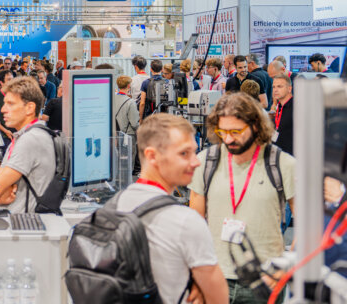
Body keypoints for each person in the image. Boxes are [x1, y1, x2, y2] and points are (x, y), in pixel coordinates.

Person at [189, 93, 296, 304]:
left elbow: (311, 226)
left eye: (236, 132)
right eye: (222, 132)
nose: (228, 139)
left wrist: (285, 268)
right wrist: (196, 277)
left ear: (256, 126)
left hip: (264, 280)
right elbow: (194, 226)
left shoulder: (283, 164)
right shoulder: (206, 162)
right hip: (215, 277)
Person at [114, 114, 229, 304]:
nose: (196, 162)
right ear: (152, 156)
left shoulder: (115, 205)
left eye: (194, 152)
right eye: (184, 153)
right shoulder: (185, 221)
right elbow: (218, 298)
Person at [0, 77, 53, 213]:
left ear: (29, 108)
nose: (3, 109)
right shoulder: (25, 136)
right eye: (4, 103)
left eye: (10, 104)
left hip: (20, 219)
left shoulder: (31, 140)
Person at [270, 74, 294, 156]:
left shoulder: (296, 107)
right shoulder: (279, 106)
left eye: (279, 87)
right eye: (274, 87)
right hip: (279, 153)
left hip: (292, 156)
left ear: (289, 89)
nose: (275, 90)